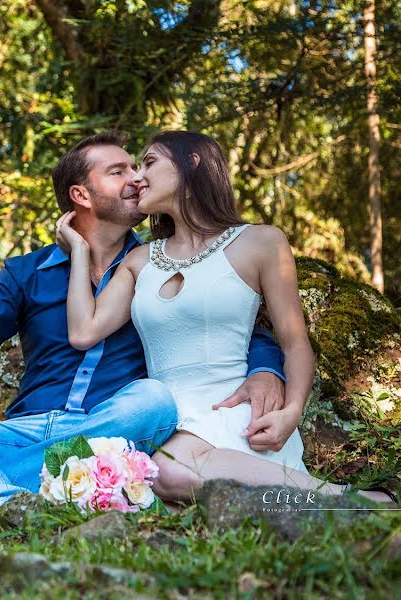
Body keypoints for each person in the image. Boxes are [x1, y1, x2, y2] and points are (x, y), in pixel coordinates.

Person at [0, 130, 288, 520]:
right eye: (118, 171)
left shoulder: (159, 264)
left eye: (138, 168)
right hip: (21, 432)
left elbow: (228, 321)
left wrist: (265, 368)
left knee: (153, 400)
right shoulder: (29, 273)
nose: (137, 179)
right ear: (81, 194)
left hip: (116, 428)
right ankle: (10, 502)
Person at [57, 130, 392, 503]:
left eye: (149, 162)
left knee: (168, 471)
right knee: (151, 476)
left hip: (237, 414)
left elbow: (295, 342)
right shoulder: (139, 262)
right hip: (166, 420)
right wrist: (80, 250)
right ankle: (334, 504)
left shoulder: (261, 242)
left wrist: (292, 411)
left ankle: (354, 500)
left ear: (192, 163)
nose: (137, 177)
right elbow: (83, 332)